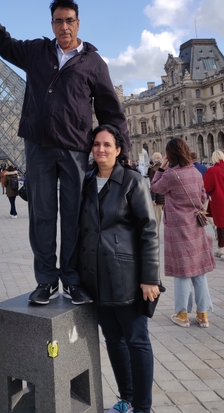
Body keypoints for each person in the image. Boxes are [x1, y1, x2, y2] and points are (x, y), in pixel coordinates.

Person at [0, 0, 129, 305]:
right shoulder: (37, 51)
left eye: (69, 20)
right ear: (51, 24)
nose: (63, 26)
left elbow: (111, 110)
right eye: (58, 21)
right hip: (38, 144)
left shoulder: (94, 63)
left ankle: (72, 279)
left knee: (74, 216)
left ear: (78, 23)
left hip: (74, 146)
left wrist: (124, 150)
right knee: (41, 214)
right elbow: (5, 44)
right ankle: (46, 281)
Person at [78, 125, 160, 413]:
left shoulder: (133, 181)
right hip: (95, 278)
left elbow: (148, 230)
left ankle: (143, 407)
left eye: (107, 145)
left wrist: (150, 278)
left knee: (137, 341)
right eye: (96, 144)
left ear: (118, 149)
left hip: (127, 276)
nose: (100, 149)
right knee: (113, 339)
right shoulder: (85, 181)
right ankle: (127, 397)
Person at [151, 137, 215, 328]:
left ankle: (181, 313)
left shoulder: (171, 174)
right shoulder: (195, 172)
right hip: (196, 225)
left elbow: (155, 187)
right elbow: (203, 196)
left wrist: (161, 168)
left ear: (170, 155)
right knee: (199, 271)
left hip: (178, 228)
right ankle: (203, 315)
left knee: (182, 272)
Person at [203, 151, 224, 261]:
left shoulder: (212, 170)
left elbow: (206, 187)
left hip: (218, 200)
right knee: (220, 224)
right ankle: (220, 248)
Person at [147, 152, 164, 229]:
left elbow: (153, 185)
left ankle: (156, 238)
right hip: (167, 197)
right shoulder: (167, 168)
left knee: (157, 220)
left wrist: (153, 198)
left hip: (158, 198)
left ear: (154, 160)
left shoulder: (153, 170)